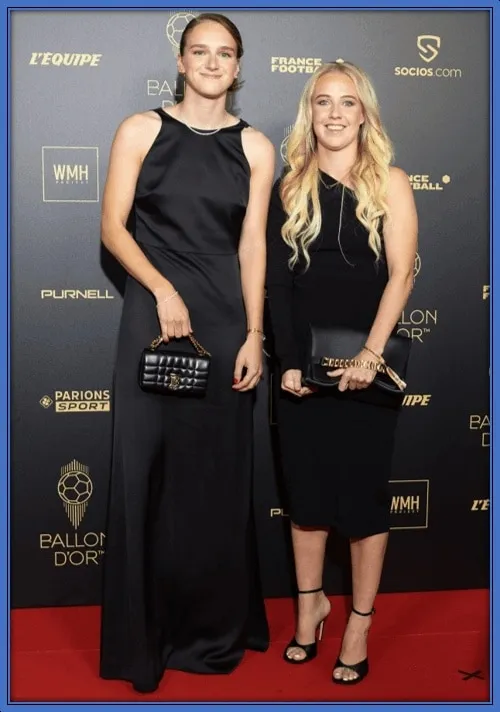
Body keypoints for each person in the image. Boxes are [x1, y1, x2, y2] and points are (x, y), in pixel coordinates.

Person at [99, 13, 275, 693]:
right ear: (180, 60)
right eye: (198, 51)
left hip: (226, 317)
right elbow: (113, 226)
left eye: (223, 53)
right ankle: (146, 637)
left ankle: (211, 632)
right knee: (146, 472)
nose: (210, 62)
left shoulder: (257, 146)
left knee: (212, 480)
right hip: (152, 309)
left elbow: (253, 245)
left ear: (238, 67)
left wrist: (255, 334)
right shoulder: (140, 130)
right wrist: (163, 288)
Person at [265, 60, 417, 685]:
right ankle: (311, 610)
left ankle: (357, 620)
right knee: (305, 503)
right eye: (322, 101)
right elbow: (279, 287)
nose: (333, 113)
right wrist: (291, 362)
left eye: (346, 102)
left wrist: (370, 355)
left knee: (361, 503)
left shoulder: (392, 182)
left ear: (364, 114)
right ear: (311, 112)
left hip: (367, 368)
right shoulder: (288, 186)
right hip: (303, 372)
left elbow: (402, 273)